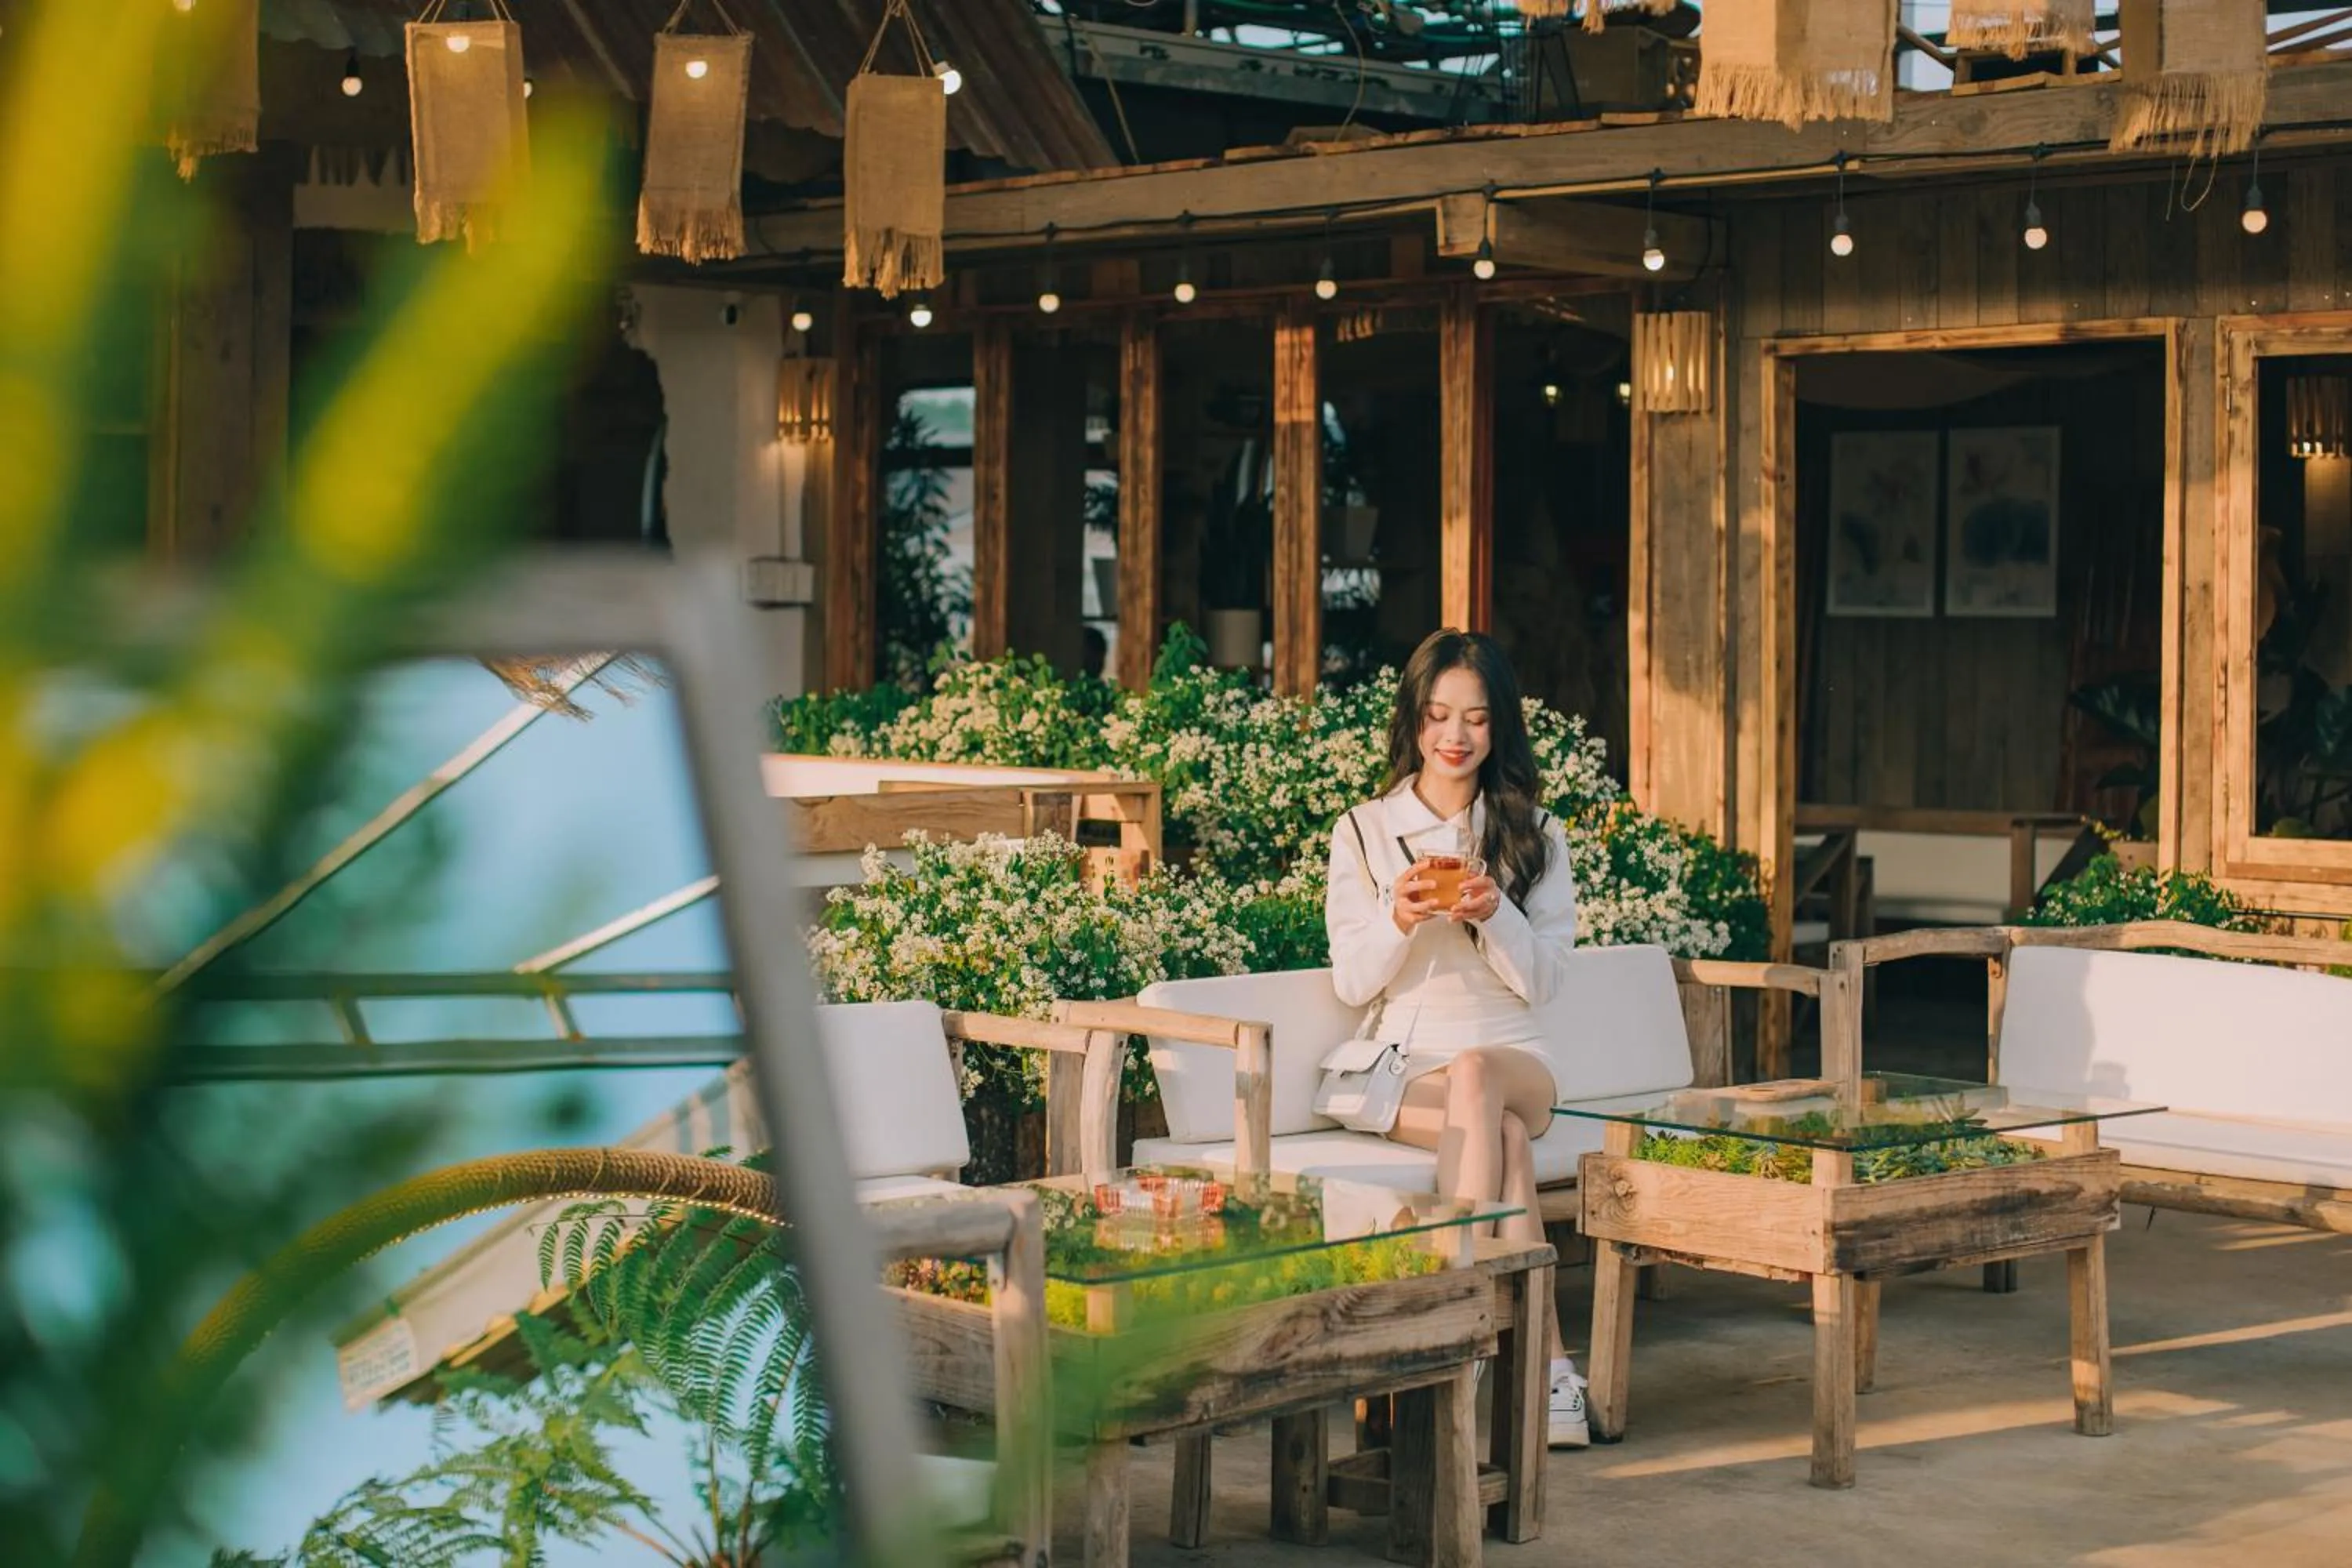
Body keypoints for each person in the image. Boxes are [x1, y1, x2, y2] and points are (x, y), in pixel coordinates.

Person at [1323, 627, 1588, 1447]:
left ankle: (1445, 1331)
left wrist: (1493, 912)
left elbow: (1547, 980)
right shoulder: (1364, 831)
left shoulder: (1535, 831)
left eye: (1474, 717)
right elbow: (1352, 982)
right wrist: (1400, 916)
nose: (1455, 735)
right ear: (1415, 720)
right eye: (1439, 714)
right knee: (1499, 1140)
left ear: (1498, 724)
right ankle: (1547, 1372)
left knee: (1484, 1079)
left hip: (1515, 1057)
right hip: (1405, 1068)